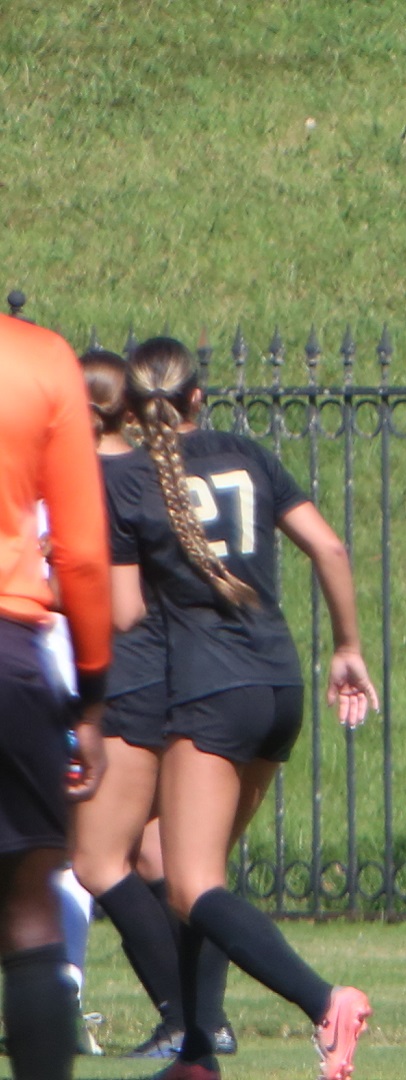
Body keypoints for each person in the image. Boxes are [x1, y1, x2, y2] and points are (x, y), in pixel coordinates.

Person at [115, 337, 379, 1080]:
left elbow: (124, 609)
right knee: (194, 876)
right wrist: (348, 647)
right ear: (200, 396)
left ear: (136, 411)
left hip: (208, 691)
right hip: (277, 682)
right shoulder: (247, 453)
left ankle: (326, 1000)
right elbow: (328, 548)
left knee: (188, 880)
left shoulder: (131, 480)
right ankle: (198, 1054)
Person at [68, 350, 235, 1060]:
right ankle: (207, 1017)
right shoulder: (159, 467)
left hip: (128, 681)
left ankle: (185, 1019)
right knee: (165, 857)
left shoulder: (93, 481)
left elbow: (118, 603)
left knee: (98, 861)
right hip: (185, 672)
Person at [0, 312, 111, 1080]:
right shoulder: (38, 357)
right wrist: (93, 692)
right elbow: (81, 551)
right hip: (7, 649)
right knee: (29, 901)